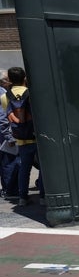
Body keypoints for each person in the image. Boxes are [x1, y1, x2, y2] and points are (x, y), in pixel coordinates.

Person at [1, 66, 43, 206]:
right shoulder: (31, 93)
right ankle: (43, 197)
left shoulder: (4, 97)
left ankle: (22, 198)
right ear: (24, 78)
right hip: (36, 136)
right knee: (43, 169)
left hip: (21, 138)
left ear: (10, 81)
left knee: (24, 169)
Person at [0, 71, 19, 200]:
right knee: (9, 161)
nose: (10, 81)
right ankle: (11, 190)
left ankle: (8, 189)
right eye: (8, 79)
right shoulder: (2, 94)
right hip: (3, 134)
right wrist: (9, 137)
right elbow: (2, 118)